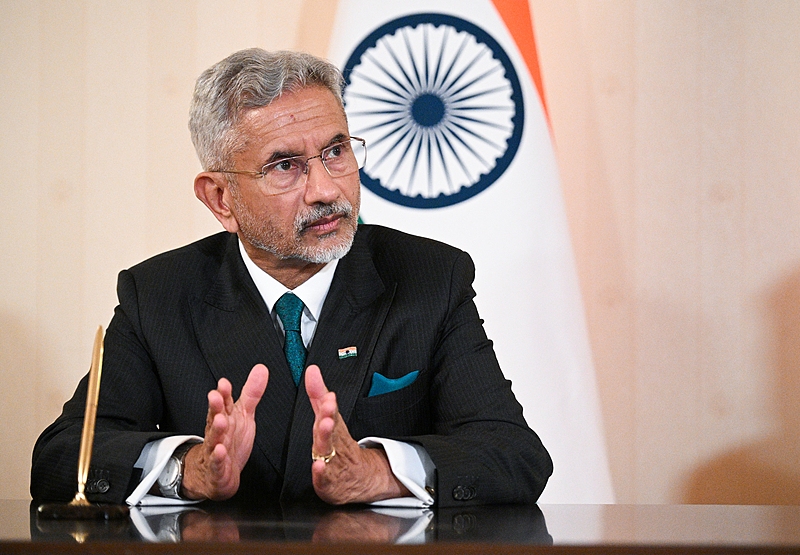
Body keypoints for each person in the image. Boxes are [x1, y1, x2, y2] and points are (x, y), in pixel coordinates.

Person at [30, 48, 552, 508]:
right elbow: (62, 457)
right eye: (285, 165)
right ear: (220, 199)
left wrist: (376, 473)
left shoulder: (428, 278)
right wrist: (188, 470)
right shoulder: (159, 295)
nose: (326, 189)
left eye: (336, 151)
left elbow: (514, 454)